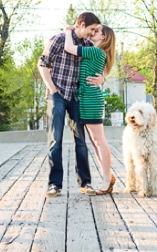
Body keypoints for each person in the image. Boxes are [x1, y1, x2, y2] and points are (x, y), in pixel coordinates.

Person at [38, 12, 104, 197]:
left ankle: (85, 183)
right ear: (81, 25)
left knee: (81, 141)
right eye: (91, 29)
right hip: (57, 95)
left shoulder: (88, 46)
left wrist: (102, 79)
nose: (93, 33)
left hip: (77, 97)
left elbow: (99, 68)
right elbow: (42, 64)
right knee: (55, 140)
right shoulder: (58, 40)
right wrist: (51, 88)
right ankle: (54, 185)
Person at [64, 23, 117, 194]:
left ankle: (107, 178)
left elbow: (69, 47)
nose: (93, 33)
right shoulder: (99, 53)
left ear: (103, 37)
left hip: (90, 100)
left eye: (97, 31)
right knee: (95, 142)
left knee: (99, 141)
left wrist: (68, 31)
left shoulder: (95, 51)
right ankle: (108, 175)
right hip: (87, 98)